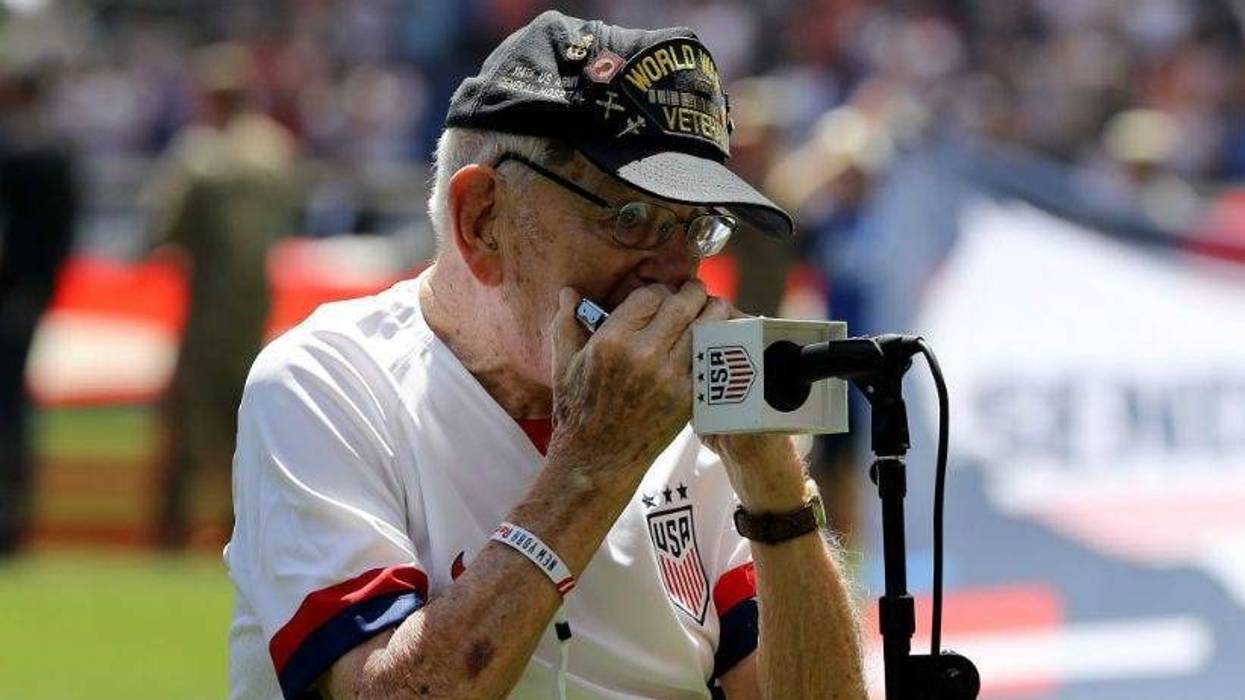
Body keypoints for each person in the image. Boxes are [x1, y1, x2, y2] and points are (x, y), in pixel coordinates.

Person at [226, 11, 866, 700]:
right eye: (630, 219)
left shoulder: (701, 425)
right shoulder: (326, 381)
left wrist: (777, 498)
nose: (677, 274)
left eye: (694, 229)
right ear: (482, 219)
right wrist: (591, 463)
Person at [142, 43, 297, 548]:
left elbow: (164, 234)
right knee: (250, 421)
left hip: (207, 307)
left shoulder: (200, 158)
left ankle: (172, 529)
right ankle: (248, 527)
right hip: (256, 307)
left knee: (187, 419)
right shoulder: (278, 153)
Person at [0, 67, 78, 555]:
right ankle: (15, 517)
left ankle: (8, 520)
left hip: (11, 295)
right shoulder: (58, 152)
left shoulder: (18, 151)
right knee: (13, 410)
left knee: (7, 411)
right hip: (35, 292)